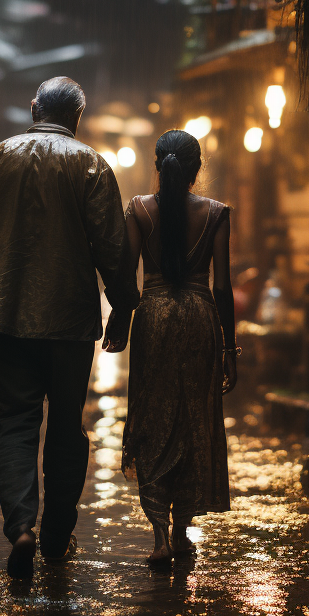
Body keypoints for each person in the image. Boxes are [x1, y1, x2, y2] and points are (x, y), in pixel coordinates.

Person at [0, 77, 139, 579]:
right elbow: (112, 247)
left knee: (15, 421)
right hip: (70, 321)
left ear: (33, 108)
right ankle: (56, 536)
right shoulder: (92, 165)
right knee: (67, 426)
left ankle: (21, 529)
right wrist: (122, 306)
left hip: (4, 318)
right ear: (79, 117)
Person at [103, 129, 236, 567]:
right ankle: (182, 533)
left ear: (157, 165)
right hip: (201, 320)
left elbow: (125, 276)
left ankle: (159, 536)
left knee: (154, 420)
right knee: (193, 421)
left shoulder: (139, 209)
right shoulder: (217, 213)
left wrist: (121, 320)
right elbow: (224, 288)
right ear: (197, 170)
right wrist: (229, 350)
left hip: (154, 319)